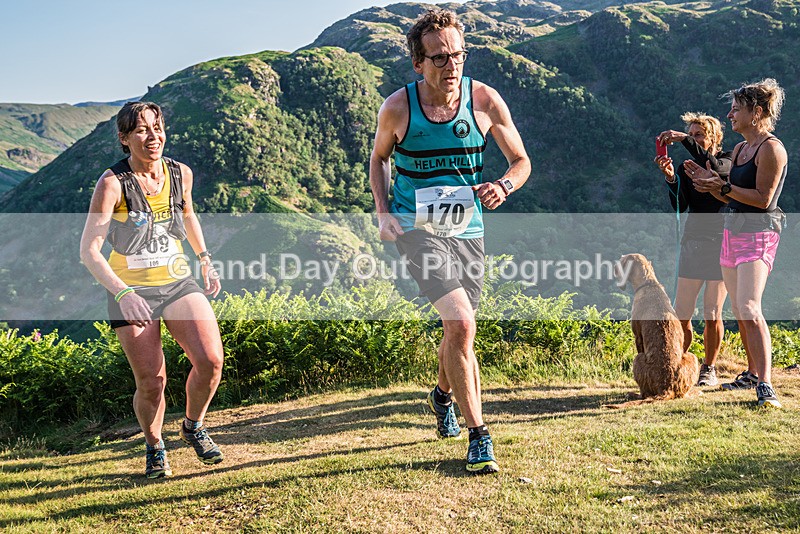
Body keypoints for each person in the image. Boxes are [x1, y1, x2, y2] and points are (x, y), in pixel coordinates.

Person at [369, 9, 530, 473]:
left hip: (469, 229)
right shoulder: (398, 107)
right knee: (460, 323)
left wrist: (504, 185)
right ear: (418, 63)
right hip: (415, 227)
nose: (451, 65)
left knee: (460, 327)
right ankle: (479, 435)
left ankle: (442, 394)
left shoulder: (485, 101)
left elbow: (521, 161)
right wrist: (382, 212)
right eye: (439, 57)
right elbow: (379, 161)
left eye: (458, 54)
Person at [80, 102, 226, 478]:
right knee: (152, 381)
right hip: (130, 291)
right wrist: (123, 293)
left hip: (178, 281)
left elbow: (188, 214)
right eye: (142, 130)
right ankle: (155, 446)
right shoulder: (112, 183)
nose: (153, 136)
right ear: (125, 138)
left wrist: (204, 258)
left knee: (210, 361)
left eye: (157, 127)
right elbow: (89, 251)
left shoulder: (180, 173)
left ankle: (193, 426)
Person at [689, 78, 787, 408]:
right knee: (739, 309)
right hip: (732, 232)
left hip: (759, 235)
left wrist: (723, 188)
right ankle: (752, 372)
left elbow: (763, 199)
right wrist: (709, 186)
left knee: (748, 306)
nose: (730, 115)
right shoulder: (743, 149)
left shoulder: (771, 149)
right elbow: (730, 196)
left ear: (756, 112)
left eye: (736, 109)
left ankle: (766, 386)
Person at [654, 113, 732, 386]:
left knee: (712, 312)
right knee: (682, 311)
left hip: (721, 242)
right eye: (692, 134)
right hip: (693, 241)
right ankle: (682, 363)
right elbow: (681, 205)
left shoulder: (727, 159)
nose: (695, 138)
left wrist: (685, 139)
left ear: (714, 138)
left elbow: (717, 170)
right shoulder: (688, 166)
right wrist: (672, 178)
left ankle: (709, 368)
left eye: (700, 135)